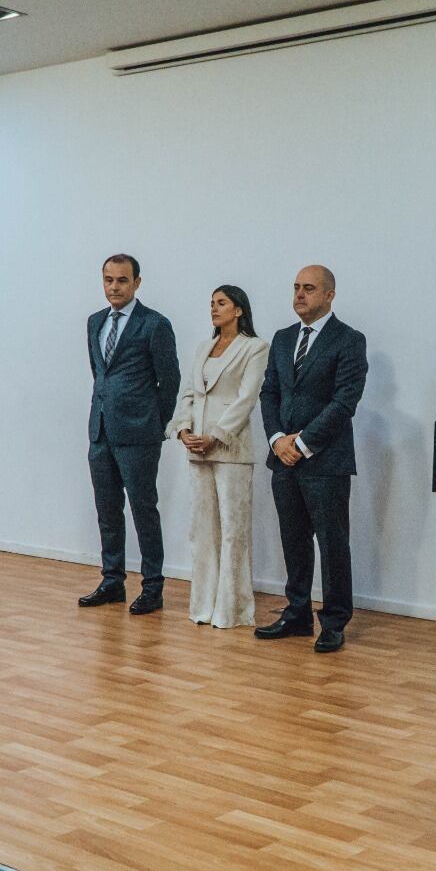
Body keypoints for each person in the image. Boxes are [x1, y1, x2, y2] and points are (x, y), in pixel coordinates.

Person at [256, 265, 368, 654]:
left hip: (325, 461)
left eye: (309, 288)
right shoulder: (283, 338)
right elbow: (268, 393)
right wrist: (275, 440)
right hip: (282, 459)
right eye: (296, 288)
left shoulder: (349, 340)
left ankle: (334, 621)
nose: (300, 295)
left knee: (333, 543)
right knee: (293, 539)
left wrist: (301, 444)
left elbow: (344, 403)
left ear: (330, 295)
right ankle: (297, 612)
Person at [80, 254, 180, 615]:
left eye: (122, 280)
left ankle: (152, 586)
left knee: (143, 509)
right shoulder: (94, 322)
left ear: (137, 282)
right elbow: (99, 374)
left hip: (139, 433)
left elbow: (169, 380)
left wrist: (156, 424)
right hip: (101, 430)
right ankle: (112, 580)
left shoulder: (154, 324)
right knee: (107, 511)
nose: (114, 287)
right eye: (108, 280)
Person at [168, 286, 271, 628]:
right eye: (211, 303)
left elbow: (246, 399)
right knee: (202, 531)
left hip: (230, 450)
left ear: (239, 309)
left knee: (232, 530)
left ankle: (232, 609)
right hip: (197, 448)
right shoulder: (203, 348)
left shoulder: (254, 348)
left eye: (222, 303)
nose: (214, 308)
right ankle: (203, 606)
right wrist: (183, 430)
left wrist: (215, 436)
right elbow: (188, 394)